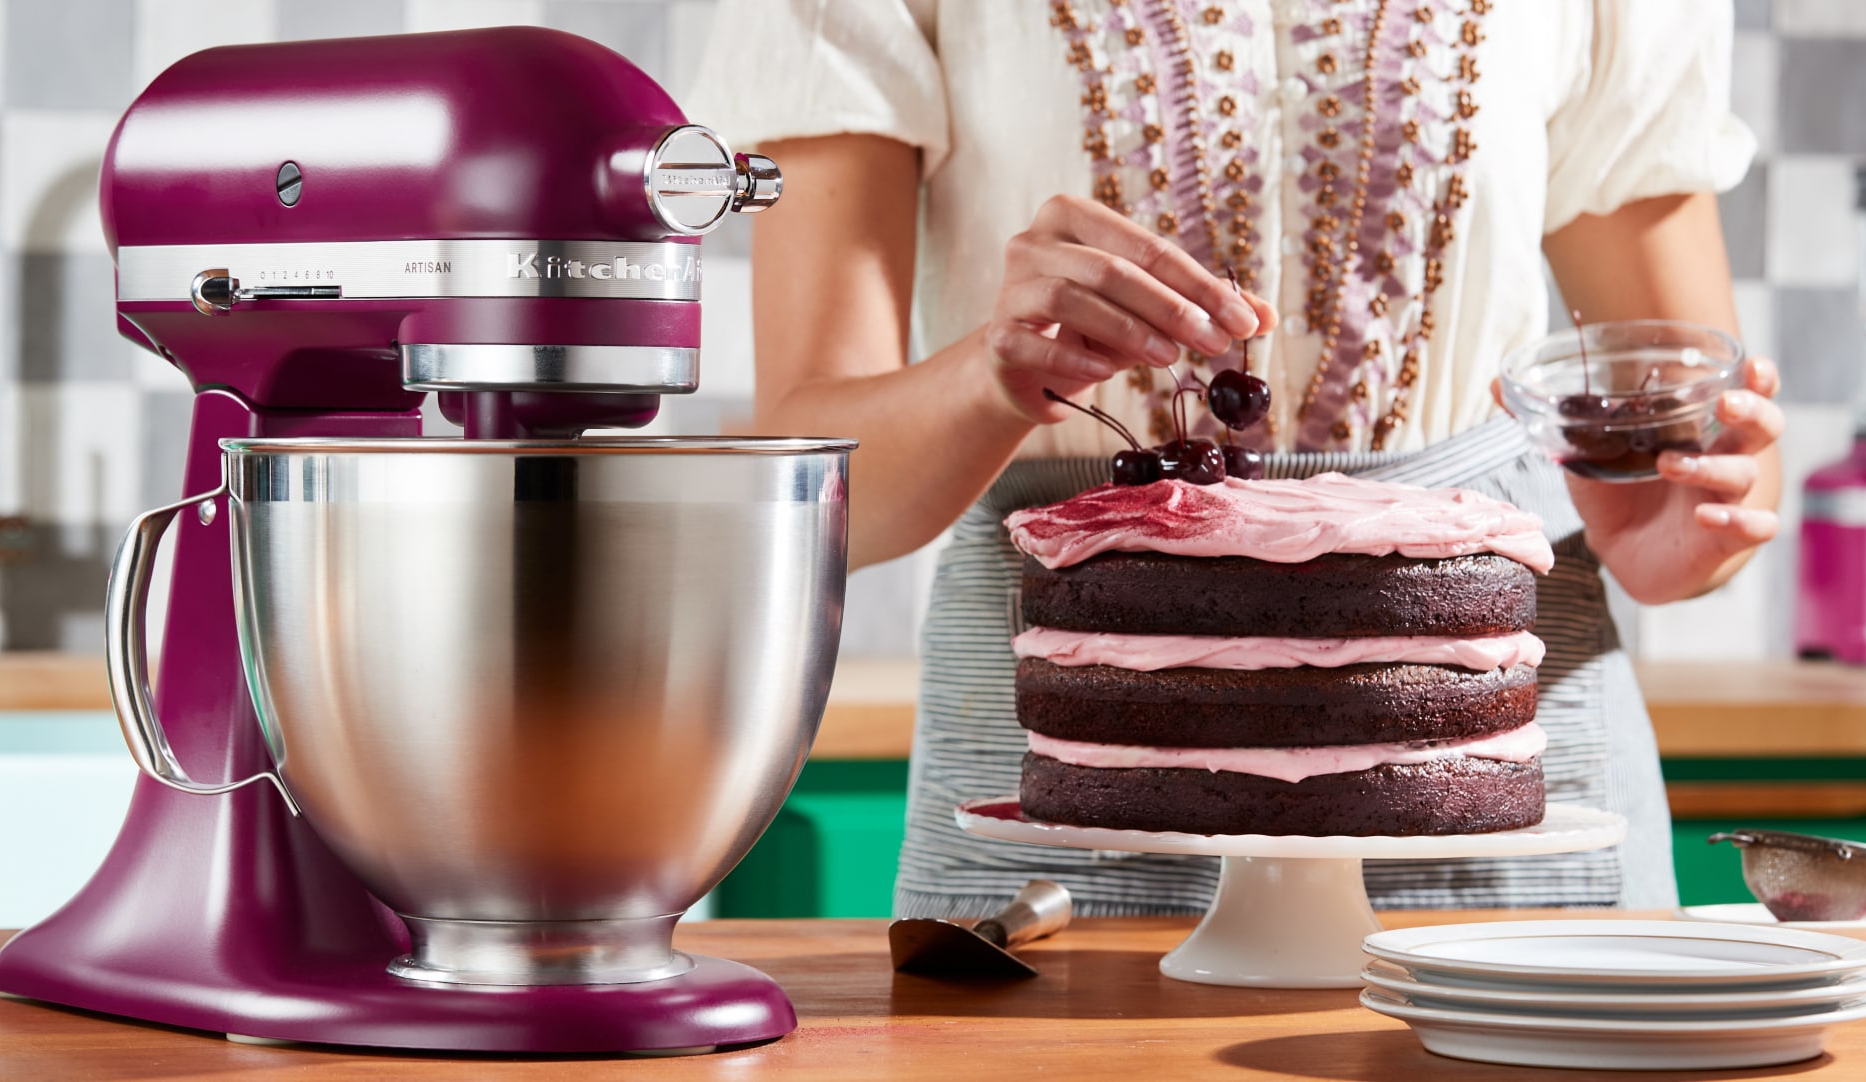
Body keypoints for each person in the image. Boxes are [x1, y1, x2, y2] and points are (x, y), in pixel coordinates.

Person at [691, 0, 1782, 916]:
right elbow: (818, 490)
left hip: (1494, 763)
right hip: (1072, 762)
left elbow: (1696, 430)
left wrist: (1683, 526)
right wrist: (991, 373)